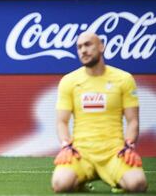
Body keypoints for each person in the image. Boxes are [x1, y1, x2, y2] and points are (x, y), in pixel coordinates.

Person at [51, 32, 148, 193]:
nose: (83, 50)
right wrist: (66, 146)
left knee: (138, 184)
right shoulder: (68, 81)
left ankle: (117, 180)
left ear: (101, 46)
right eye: (79, 47)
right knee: (60, 184)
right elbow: (61, 121)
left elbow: (133, 121)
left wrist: (129, 146)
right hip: (81, 153)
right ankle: (81, 180)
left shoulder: (124, 79)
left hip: (114, 152)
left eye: (88, 44)